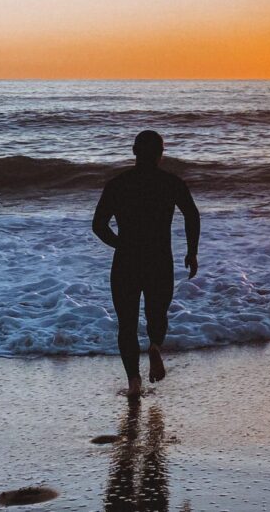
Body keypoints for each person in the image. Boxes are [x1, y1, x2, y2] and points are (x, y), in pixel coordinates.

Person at [92, 130, 200, 397]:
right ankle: (154, 346)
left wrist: (120, 244)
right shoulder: (171, 183)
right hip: (159, 259)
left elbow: (98, 225)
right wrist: (192, 252)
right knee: (157, 314)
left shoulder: (117, 184)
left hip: (126, 261)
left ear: (134, 151)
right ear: (161, 154)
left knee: (126, 324)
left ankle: (133, 383)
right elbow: (192, 216)